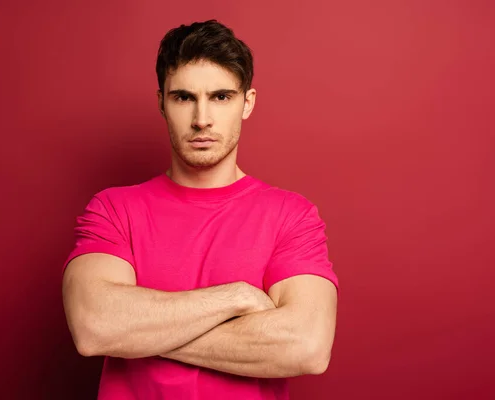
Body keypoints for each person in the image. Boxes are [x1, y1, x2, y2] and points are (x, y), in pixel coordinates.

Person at [62, 19, 339, 400]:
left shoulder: (292, 215)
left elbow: (307, 346)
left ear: (248, 103)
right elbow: (94, 327)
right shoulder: (114, 209)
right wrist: (237, 297)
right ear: (161, 102)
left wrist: (139, 334)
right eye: (184, 97)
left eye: (221, 97)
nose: (202, 119)